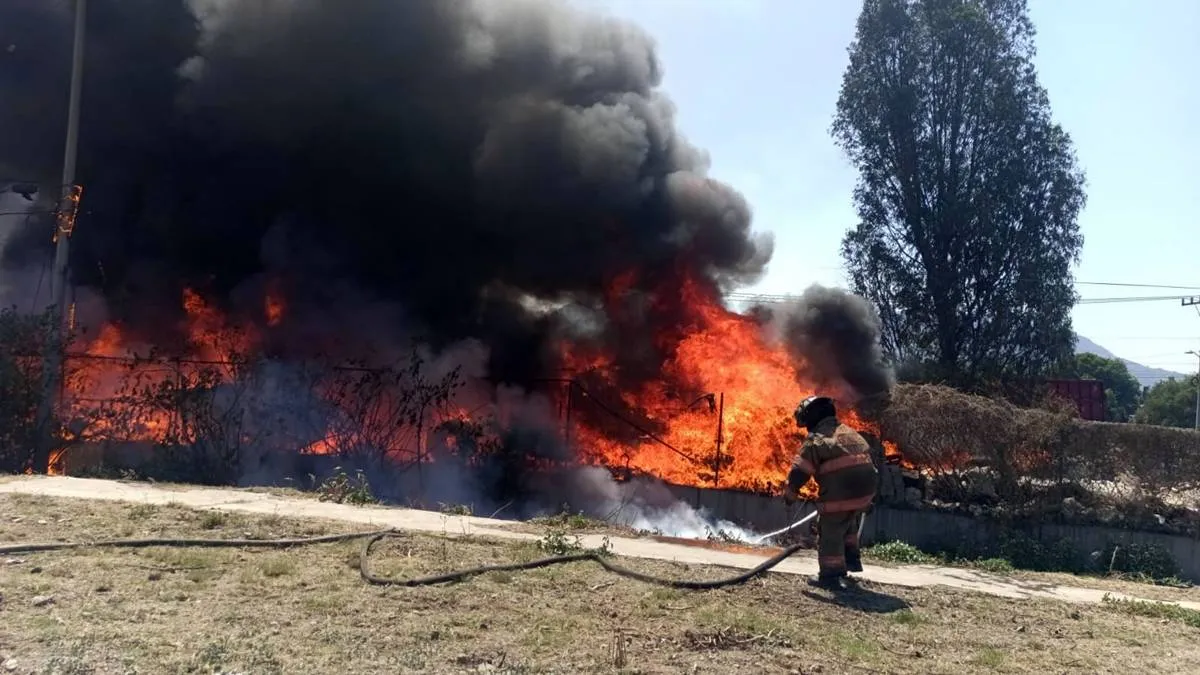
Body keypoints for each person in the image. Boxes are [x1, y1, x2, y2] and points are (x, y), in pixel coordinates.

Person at [785, 395, 878, 590]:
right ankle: (851, 560)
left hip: (842, 494)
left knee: (830, 528)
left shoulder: (816, 440)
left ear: (811, 418)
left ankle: (830, 576)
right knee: (848, 521)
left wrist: (791, 494)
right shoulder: (850, 433)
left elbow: (799, 472)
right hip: (866, 493)